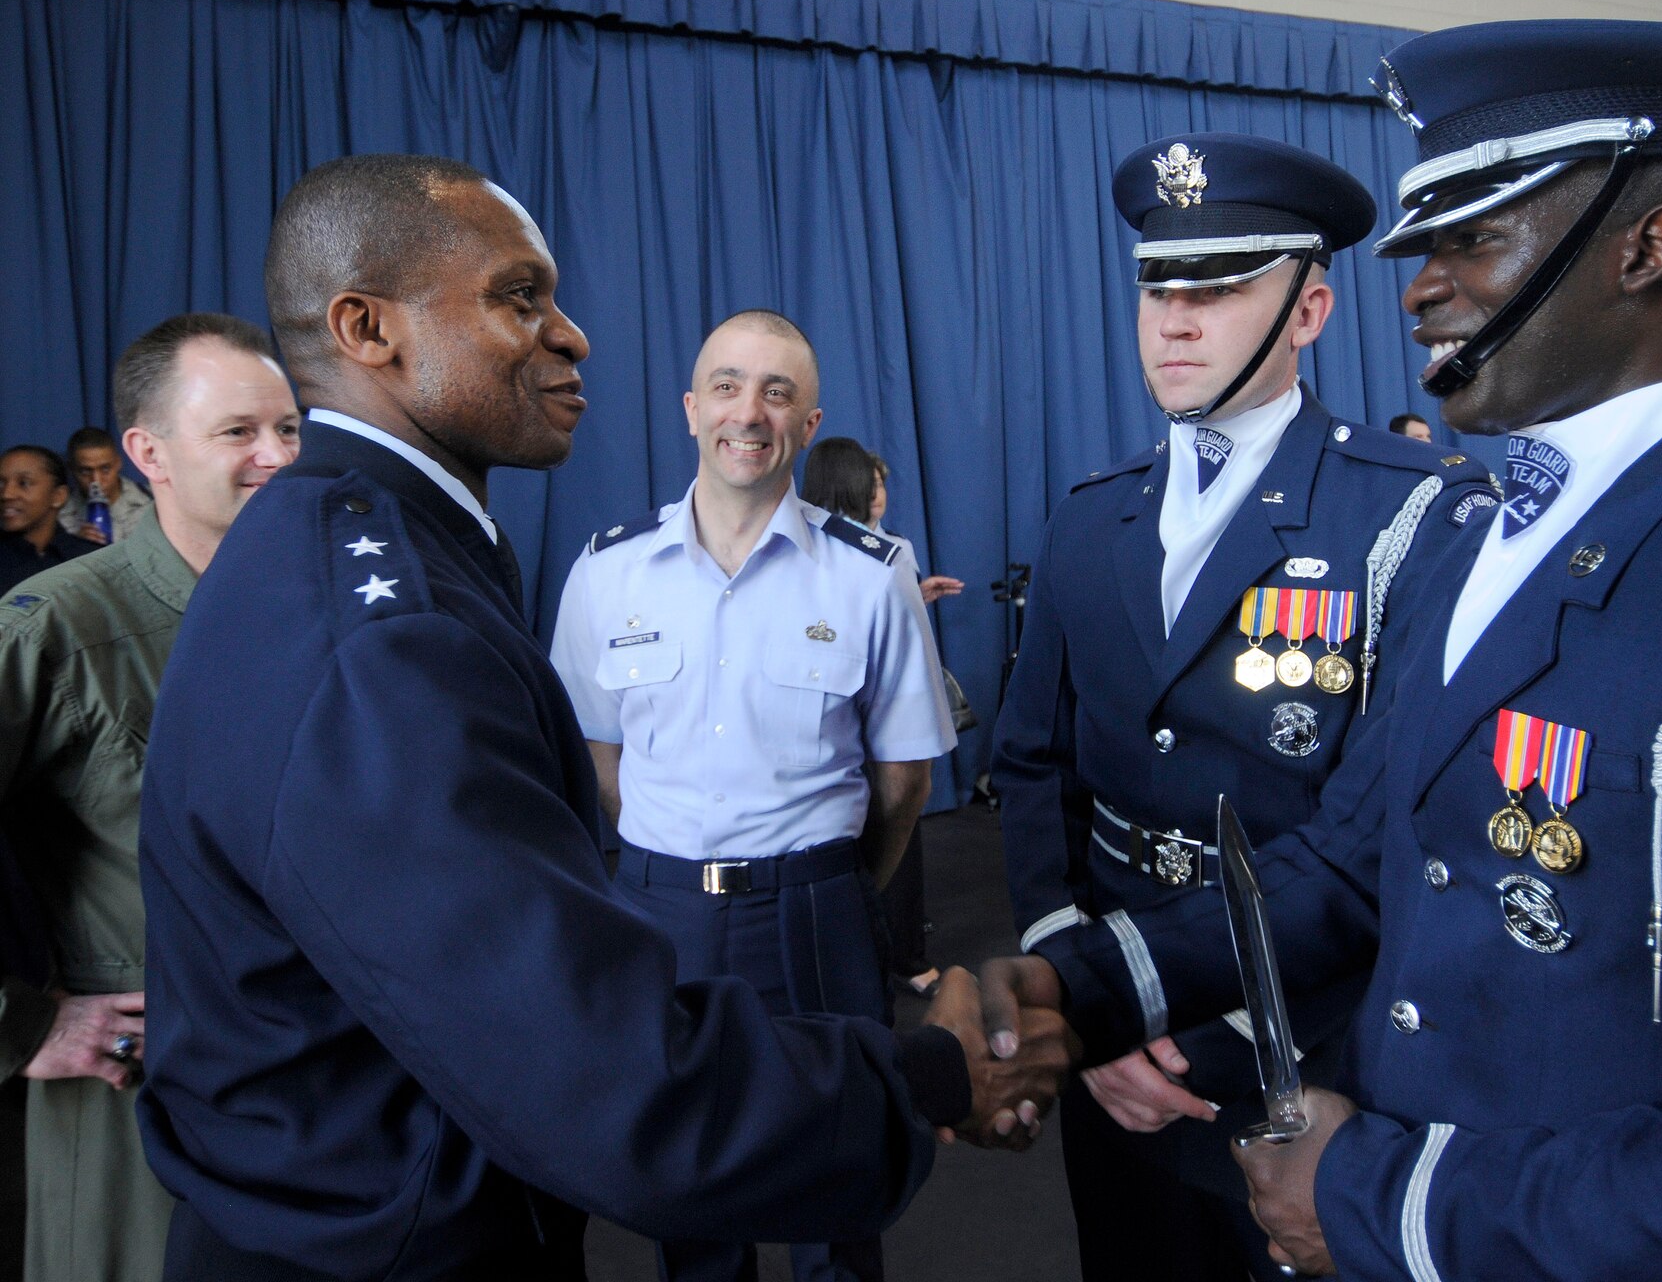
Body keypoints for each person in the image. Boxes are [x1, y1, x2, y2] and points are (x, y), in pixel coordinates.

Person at [982, 21, 1662, 1279]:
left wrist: (1377, 1198)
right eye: (1420, 244)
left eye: (1470, 238)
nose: (1414, 286)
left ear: (1644, 248)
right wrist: (1080, 988)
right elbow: (1353, 865)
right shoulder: (1476, 541)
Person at [137, 154, 1074, 1281]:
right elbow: (604, 1080)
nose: (571, 335)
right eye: (517, 296)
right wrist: (932, 1074)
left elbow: (901, 778)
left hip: (775, 929)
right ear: (367, 329)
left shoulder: (334, 552)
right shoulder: (391, 630)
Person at [989, 131, 1497, 1281]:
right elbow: (1031, 765)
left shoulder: (1410, 517)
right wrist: (1078, 987)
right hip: (1110, 1047)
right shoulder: (1088, 516)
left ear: (1308, 311)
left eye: (1216, 289)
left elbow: (1386, 836)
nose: (1173, 319)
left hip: (1298, 1050)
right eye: (1157, 288)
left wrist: (1168, 1026)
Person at [552, 318, 956, 1282]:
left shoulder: (871, 574)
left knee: (840, 1176)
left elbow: (905, 777)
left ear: (808, 423)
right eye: (727, 387)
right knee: (688, 1192)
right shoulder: (607, 573)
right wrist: (675, 864)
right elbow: (599, 757)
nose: (749, 412)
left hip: (817, 914)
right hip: (664, 915)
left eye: (777, 393)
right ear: (692, 410)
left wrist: (840, 887)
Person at [0, 313, 299, 1282]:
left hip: (317, 1093)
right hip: (140, 1097)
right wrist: (24, 1023)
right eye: (238, 432)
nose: (276, 456)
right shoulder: (57, 626)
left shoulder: (328, 610)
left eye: (290, 429)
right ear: (146, 452)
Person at [800, 437, 961, 1001]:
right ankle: (881, 949)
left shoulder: (886, 551)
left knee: (885, 822)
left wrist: (915, 594)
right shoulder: (818, 548)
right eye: (873, 483)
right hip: (845, 714)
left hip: (858, 713)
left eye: (883, 483)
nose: (881, 494)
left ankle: (897, 949)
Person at [0, 445, 101, 594]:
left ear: (58, 496)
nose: (6, 494)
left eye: (24, 483)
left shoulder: (90, 560)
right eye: (1, 484)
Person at [58, 426, 154, 544]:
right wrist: (75, 546)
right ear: (71, 469)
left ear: (118, 463)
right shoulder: (59, 514)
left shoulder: (153, 501)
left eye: (105, 469)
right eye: (85, 471)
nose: (96, 480)